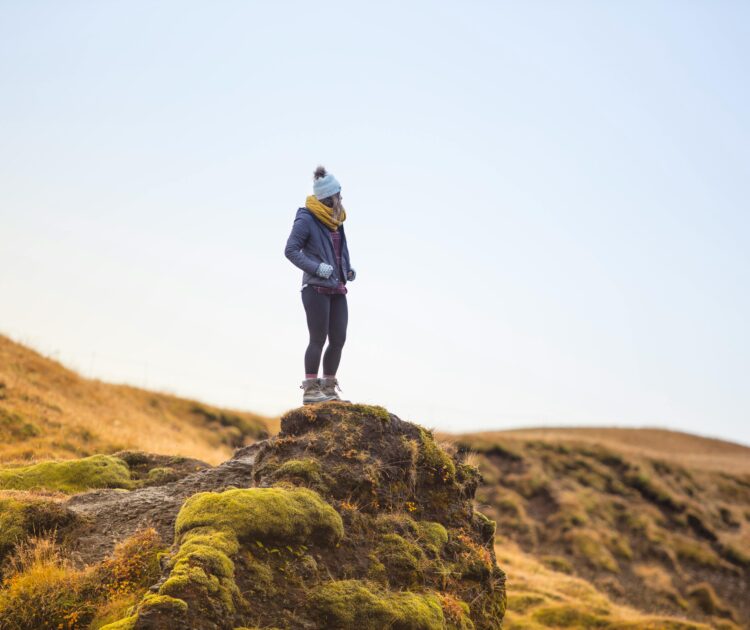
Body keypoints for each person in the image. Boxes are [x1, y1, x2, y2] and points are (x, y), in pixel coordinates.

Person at [284, 166, 356, 405]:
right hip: (315, 288)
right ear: (330, 198)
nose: (342, 199)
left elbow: (339, 250)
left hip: (337, 287)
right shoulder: (307, 218)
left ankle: (328, 387)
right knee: (318, 338)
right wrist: (316, 268)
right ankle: (311, 390)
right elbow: (291, 250)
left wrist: (347, 268)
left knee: (339, 338)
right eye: (339, 196)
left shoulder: (337, 220)